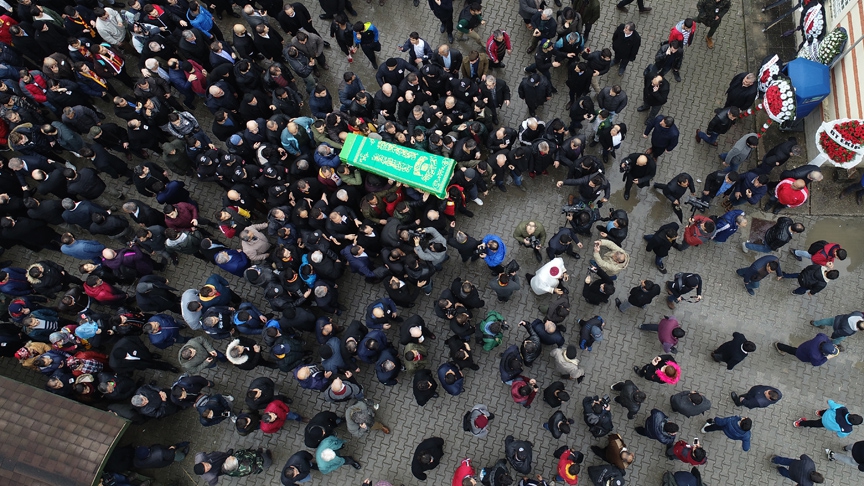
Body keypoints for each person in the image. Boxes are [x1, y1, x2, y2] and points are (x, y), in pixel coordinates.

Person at [775, 333, 840, 367]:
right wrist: (827, 358)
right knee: (792, 350)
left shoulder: (821, 338)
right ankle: (779, 346)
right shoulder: (815, 355)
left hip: (805, 346)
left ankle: (779, 346)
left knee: (794, 349)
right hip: (801, 353)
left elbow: (820, 334)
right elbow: (815, 363)